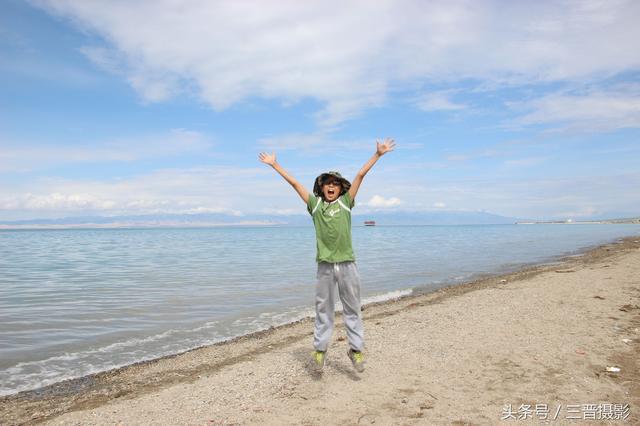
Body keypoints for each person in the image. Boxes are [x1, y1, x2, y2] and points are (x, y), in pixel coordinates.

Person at [259, 138, 396, 372]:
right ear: (321, 187)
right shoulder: (314, 205)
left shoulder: (346, 202)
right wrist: (275, 165)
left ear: (341, 188)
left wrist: (378, 155)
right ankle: (320, 350)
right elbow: (294, 184)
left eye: (335, 184)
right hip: (324, 267)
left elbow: (360, 176)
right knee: (324, 310)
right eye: (327, 184)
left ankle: (356, 350)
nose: (331, 187)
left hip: (347, 265)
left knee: (352, 308)